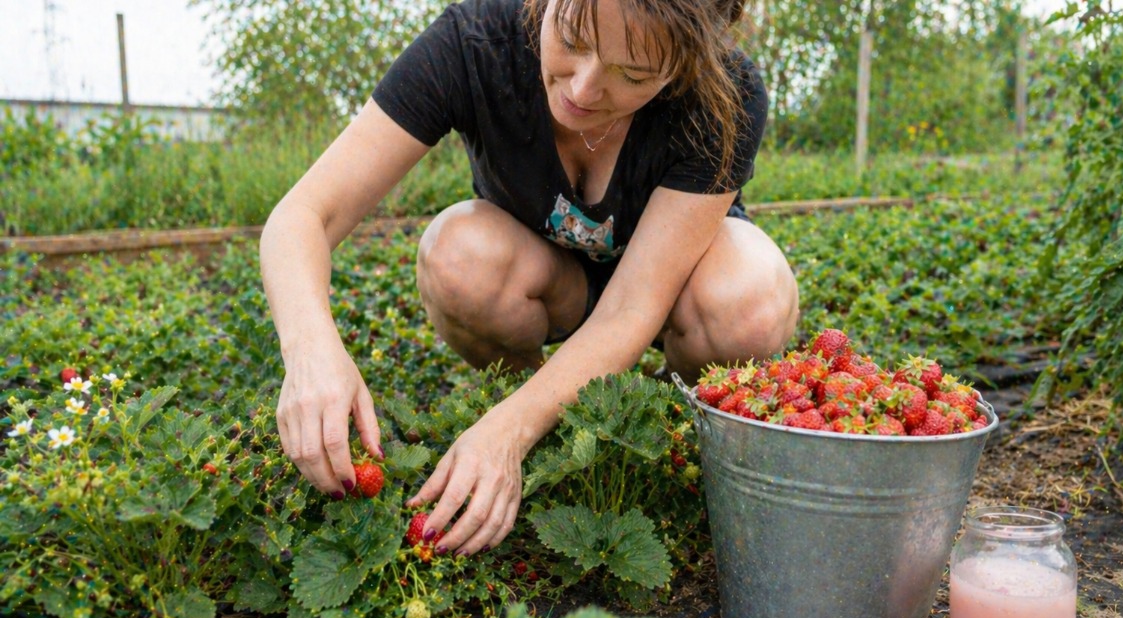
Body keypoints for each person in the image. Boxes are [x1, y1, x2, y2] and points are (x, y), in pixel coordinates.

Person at [260, 0, 799, 558]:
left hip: (671, 294)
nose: (584, 90)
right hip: (555, 283)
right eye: (570, 38)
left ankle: (654, 417)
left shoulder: (723, 93)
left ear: (685, 67)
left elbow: (632, 309)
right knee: (457, 254)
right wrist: (310, 350)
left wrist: (512, 432)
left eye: (633, 75)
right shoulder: (474, 44)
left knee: (747, 303)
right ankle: (529, 403)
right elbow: (301, 217)